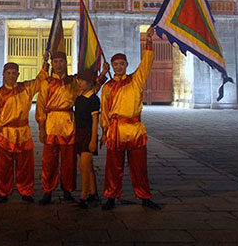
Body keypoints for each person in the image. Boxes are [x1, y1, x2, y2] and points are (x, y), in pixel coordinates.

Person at [100, 26, 161, 210]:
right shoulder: (108, 87)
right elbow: (104, 110)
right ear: (113, 66)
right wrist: (104, 131)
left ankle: (144, 196)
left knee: (139, 167)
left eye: (122, 63)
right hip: (116, 130)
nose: (119, 67)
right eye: (116, 64)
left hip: (135, 130)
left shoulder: (136, 80)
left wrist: (149, 40)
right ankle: (111, 196)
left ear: (126, 65)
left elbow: (146, 64)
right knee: (113, 167)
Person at [36, 51, 108, 205]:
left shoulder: (73, 82)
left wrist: (102, 75)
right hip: (51, 123)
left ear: (65, 63)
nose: (58, 65)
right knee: (49, 161)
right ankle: (47, 190)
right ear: (52, 64)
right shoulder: (46, 82)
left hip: (69, 122)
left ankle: (67, 189)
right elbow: (40, 106)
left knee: (69, 161)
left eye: (61, 61)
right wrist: (41, 127)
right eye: (55, 62)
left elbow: (90, 88)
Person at [0, 54, 49, 203]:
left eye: (14, 73)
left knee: (25, 165)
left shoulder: (26, 88)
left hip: (23, 131)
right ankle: (3, 192)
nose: (11, 76)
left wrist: (44, 63)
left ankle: (26, 191)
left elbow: (40, 80)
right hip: (6, 132)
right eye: (8, 73)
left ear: (18, 74)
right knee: (4, 166)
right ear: (4, 75)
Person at [73, 69, 100, 209]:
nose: (79, 83)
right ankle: (94, 192)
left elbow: (95, 121)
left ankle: (83, 197)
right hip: (80, 133)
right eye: (78, 80)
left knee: (83, 166)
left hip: (89, 134)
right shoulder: (79, 97)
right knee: (88, 166)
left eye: (82, 80)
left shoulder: (94, 99)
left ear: (89, 83)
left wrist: (93, 140)